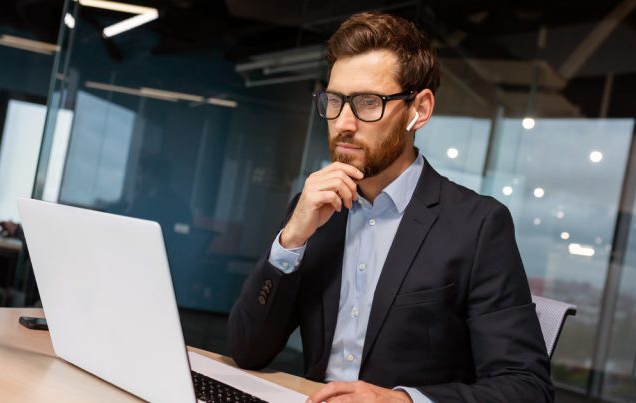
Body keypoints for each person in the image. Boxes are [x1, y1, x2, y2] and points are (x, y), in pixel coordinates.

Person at [227, 11, 552, 403]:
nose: (343, 123)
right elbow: (247, 350)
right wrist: (291, 240)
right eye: (334, 100)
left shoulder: (479, 225)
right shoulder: (314, 210)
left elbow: (526, 387)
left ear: (420, 110)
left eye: (367, 102)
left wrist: (404, 401)